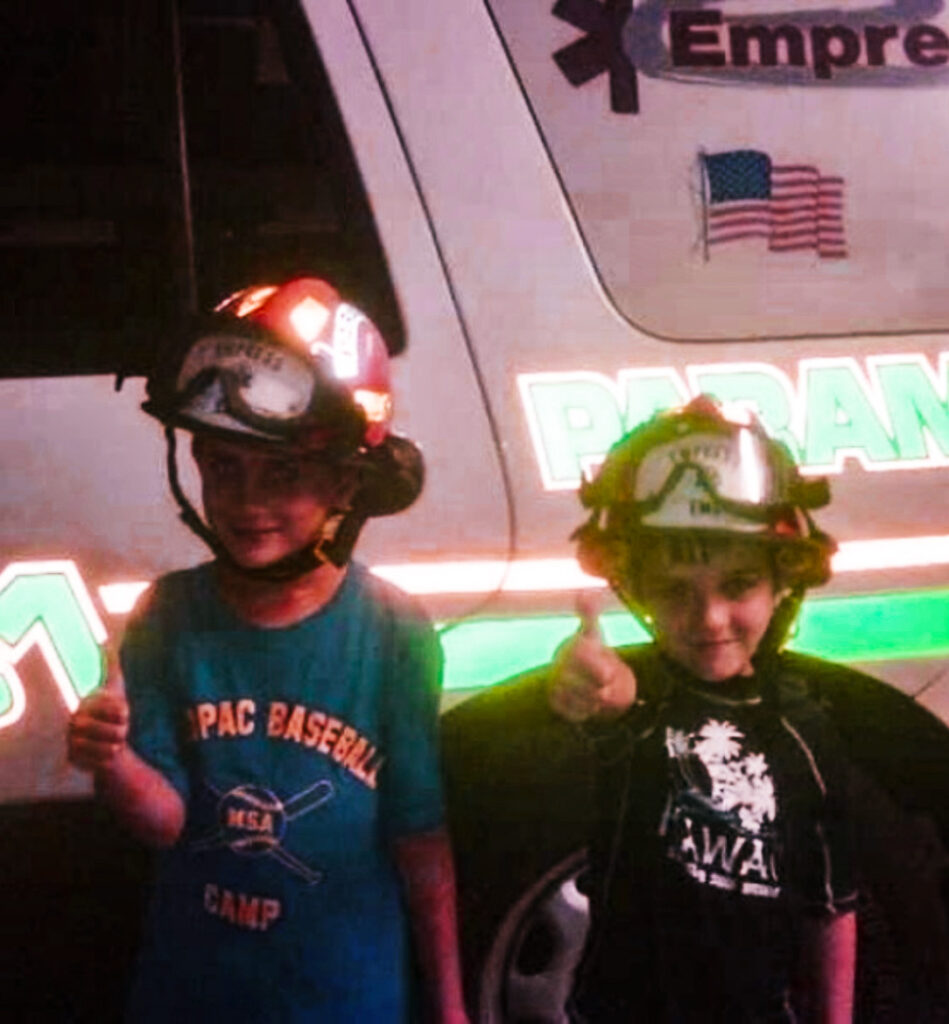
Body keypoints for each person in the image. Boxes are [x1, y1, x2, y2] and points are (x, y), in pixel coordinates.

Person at [67, 278, 469, 1023]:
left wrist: (450, 1006)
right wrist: (112, 758)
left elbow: (418, 833)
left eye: (282, 474)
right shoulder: (168, 615)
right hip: (193, 994)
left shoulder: (392, 631)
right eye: (223, 467)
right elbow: (166, 822)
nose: (246, 502)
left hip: (344, 998)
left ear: (346, 479)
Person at [548, 395, 862, 1022]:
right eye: (674, 590)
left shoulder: (805, 737)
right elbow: (618, 709)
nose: (710, 618)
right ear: (635, 589)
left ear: (784, 582)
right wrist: (588, 690)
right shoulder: (636, 700)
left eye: (739, 585)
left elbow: (830, 906)